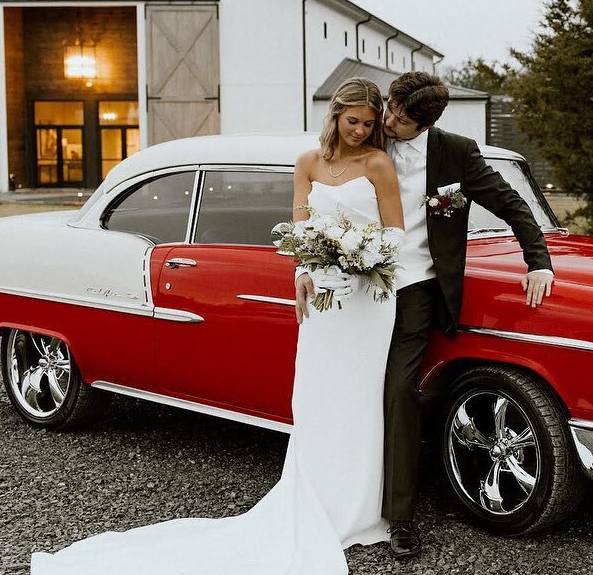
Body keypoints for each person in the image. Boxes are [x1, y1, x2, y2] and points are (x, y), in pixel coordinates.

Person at [30, 77, 404, 575]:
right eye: (351, 121)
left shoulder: (379, 164)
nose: (359, 131)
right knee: (316, 397)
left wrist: (363, 256)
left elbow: (396, 230)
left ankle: (359, 508)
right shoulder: (308, 163)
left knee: (360, 399)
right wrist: (303, 272)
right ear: (335, 116)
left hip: (366, 300)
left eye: (367, 123)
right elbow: (298, 229)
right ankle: (318, 500)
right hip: (324, 300)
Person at [378, 72, 554, 558]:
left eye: (401, 118)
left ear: (427, 123)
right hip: (356, 289)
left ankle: (399, 518)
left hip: (416, 287)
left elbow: (512, 204)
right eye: (390, 108)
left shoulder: (457, 152)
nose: (389, 120)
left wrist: (538, 262)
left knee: (400, 393)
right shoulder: (369, 132)